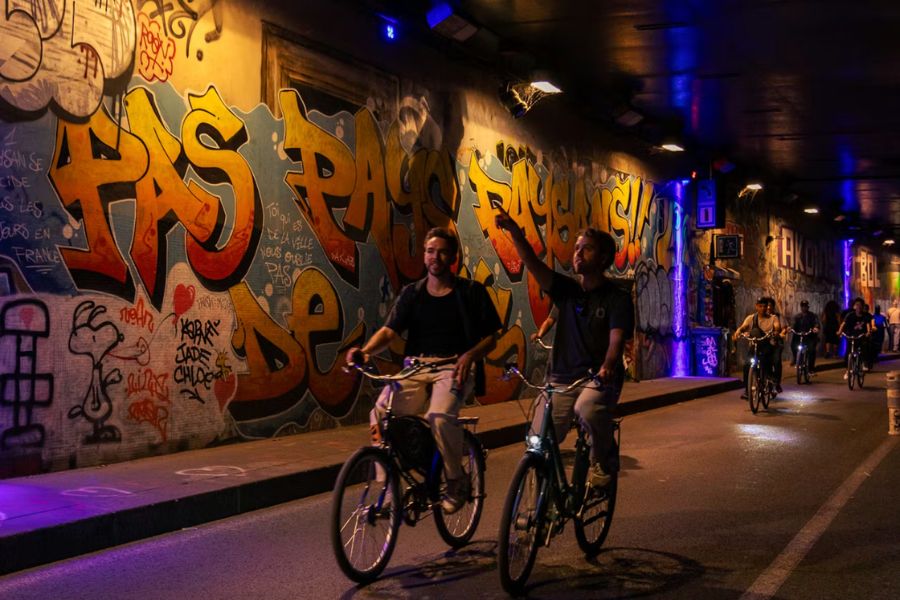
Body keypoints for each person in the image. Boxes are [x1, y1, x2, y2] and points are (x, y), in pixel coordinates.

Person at [346, 227, 502, 514]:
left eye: (442, 251)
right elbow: (389, 331)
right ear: (424, 255)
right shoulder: (412, 294)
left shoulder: (470, 292)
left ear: (453, 256)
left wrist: (470, 355)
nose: (435, 257)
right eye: (430, 251)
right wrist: (365, 351)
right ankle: (390, 484)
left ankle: (456, 479)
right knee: (380, 414)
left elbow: (492, 338)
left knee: (439, 416)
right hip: (416, 368)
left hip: (453, 367)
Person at [495, 207, 633, 488]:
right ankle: (538, 512)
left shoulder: (617, 298)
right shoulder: (567, 290)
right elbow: (532, 263)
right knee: (538, 442)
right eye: (577, 248)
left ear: (603, 258)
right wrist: (514, 231)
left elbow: (616, 341)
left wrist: (608, 366)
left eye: (587, 249)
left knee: (588, 409)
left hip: (596, 379)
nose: (578, 253)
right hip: (560, 379)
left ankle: (603, 461)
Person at [733, 297, 781, 398]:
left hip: (767, 346)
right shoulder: (751, 318)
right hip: (754, 346)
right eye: (760, 306)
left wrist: (776, 332)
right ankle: (747, 390)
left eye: (764, 306)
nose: (762, 308)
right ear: (756, 306)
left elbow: (777, 327)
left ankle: (770, 380)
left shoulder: (773, 318)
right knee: (747, 365)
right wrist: (739, 331)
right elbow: (744, 326)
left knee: (768, 362)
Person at [837, 298, 873, 378]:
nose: (858, 307)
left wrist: (868, 332)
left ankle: (864, 363)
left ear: (862, 306)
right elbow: (843, 323)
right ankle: (848, 370)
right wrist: (840, 331)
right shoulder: (850, 315)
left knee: (864, 348)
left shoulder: (865, 316)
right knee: (847, 354)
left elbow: (867, 325)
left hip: (861, 336)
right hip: (851, 336)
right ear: (854, 306)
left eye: (860, 305)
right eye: (857, 305)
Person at [789, 300, 820, 372]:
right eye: (802, 306)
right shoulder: (797, 316)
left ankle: (811, 368)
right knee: (793, 345)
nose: (804, 308)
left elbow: (816, 323)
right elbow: (793, 324)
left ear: (808, 307)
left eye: (805, 306)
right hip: (799, 335)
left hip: (809, 335)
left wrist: (816, 328)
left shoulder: (812, 316)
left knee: (812, 350)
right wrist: (791, 328)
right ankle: (795, 358)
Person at [765, 297, 785, 393]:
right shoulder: (761, 316)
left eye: (770, 306)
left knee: (776, 361)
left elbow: (783, 327)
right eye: (766, 306)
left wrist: (780, 333)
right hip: (764, 343)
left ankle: (777, 383)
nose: (768, 308)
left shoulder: (777, 317)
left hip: (776, 343)